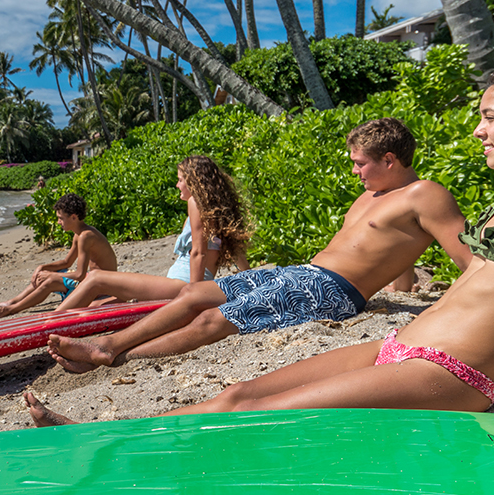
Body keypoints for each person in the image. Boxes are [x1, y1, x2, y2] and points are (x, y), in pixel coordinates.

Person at [28, 65, 494, 427]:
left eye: (489, 116)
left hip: (450, 372)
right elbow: (493, 283)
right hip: (404, 344)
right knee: (238, 395)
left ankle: (108, 442)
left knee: (250, 417)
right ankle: (111, 435)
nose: (477, 130)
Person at [46, 118, 471, 371]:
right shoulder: (372, 195)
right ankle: (112, 343)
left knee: (213, 321)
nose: (356, 172)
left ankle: (112, 354)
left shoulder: (426, 194)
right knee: (195, 293)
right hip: (302, 274)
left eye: (361, 163)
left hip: (333, 291)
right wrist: (403, 287)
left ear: (389, 161)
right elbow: (391, 249)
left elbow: (468, 261)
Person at [54, 156, 251, 311]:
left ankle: (49, 323)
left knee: (96, 278)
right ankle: (64, 320)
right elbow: (238, 255)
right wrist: (252, 282)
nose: (177, 185)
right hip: (180, 284)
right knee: (106, 302)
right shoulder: (213, 212)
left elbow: (198, 253)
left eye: (180, 180)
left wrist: (194, 296)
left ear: (194, 182)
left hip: (183, 285)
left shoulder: (195, 203)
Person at [0, 193, 117, 318]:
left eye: (61, 218)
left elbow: (79, 275)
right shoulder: (79, 234)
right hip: (92, 281)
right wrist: (42, 267)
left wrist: (51, 275)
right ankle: (12, 302)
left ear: (73, 217)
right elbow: (67, 262)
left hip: (100, 288)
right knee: (49, 273)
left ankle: (11, 309)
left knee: (50, 280)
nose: (58, 222)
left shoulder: (85, 236)